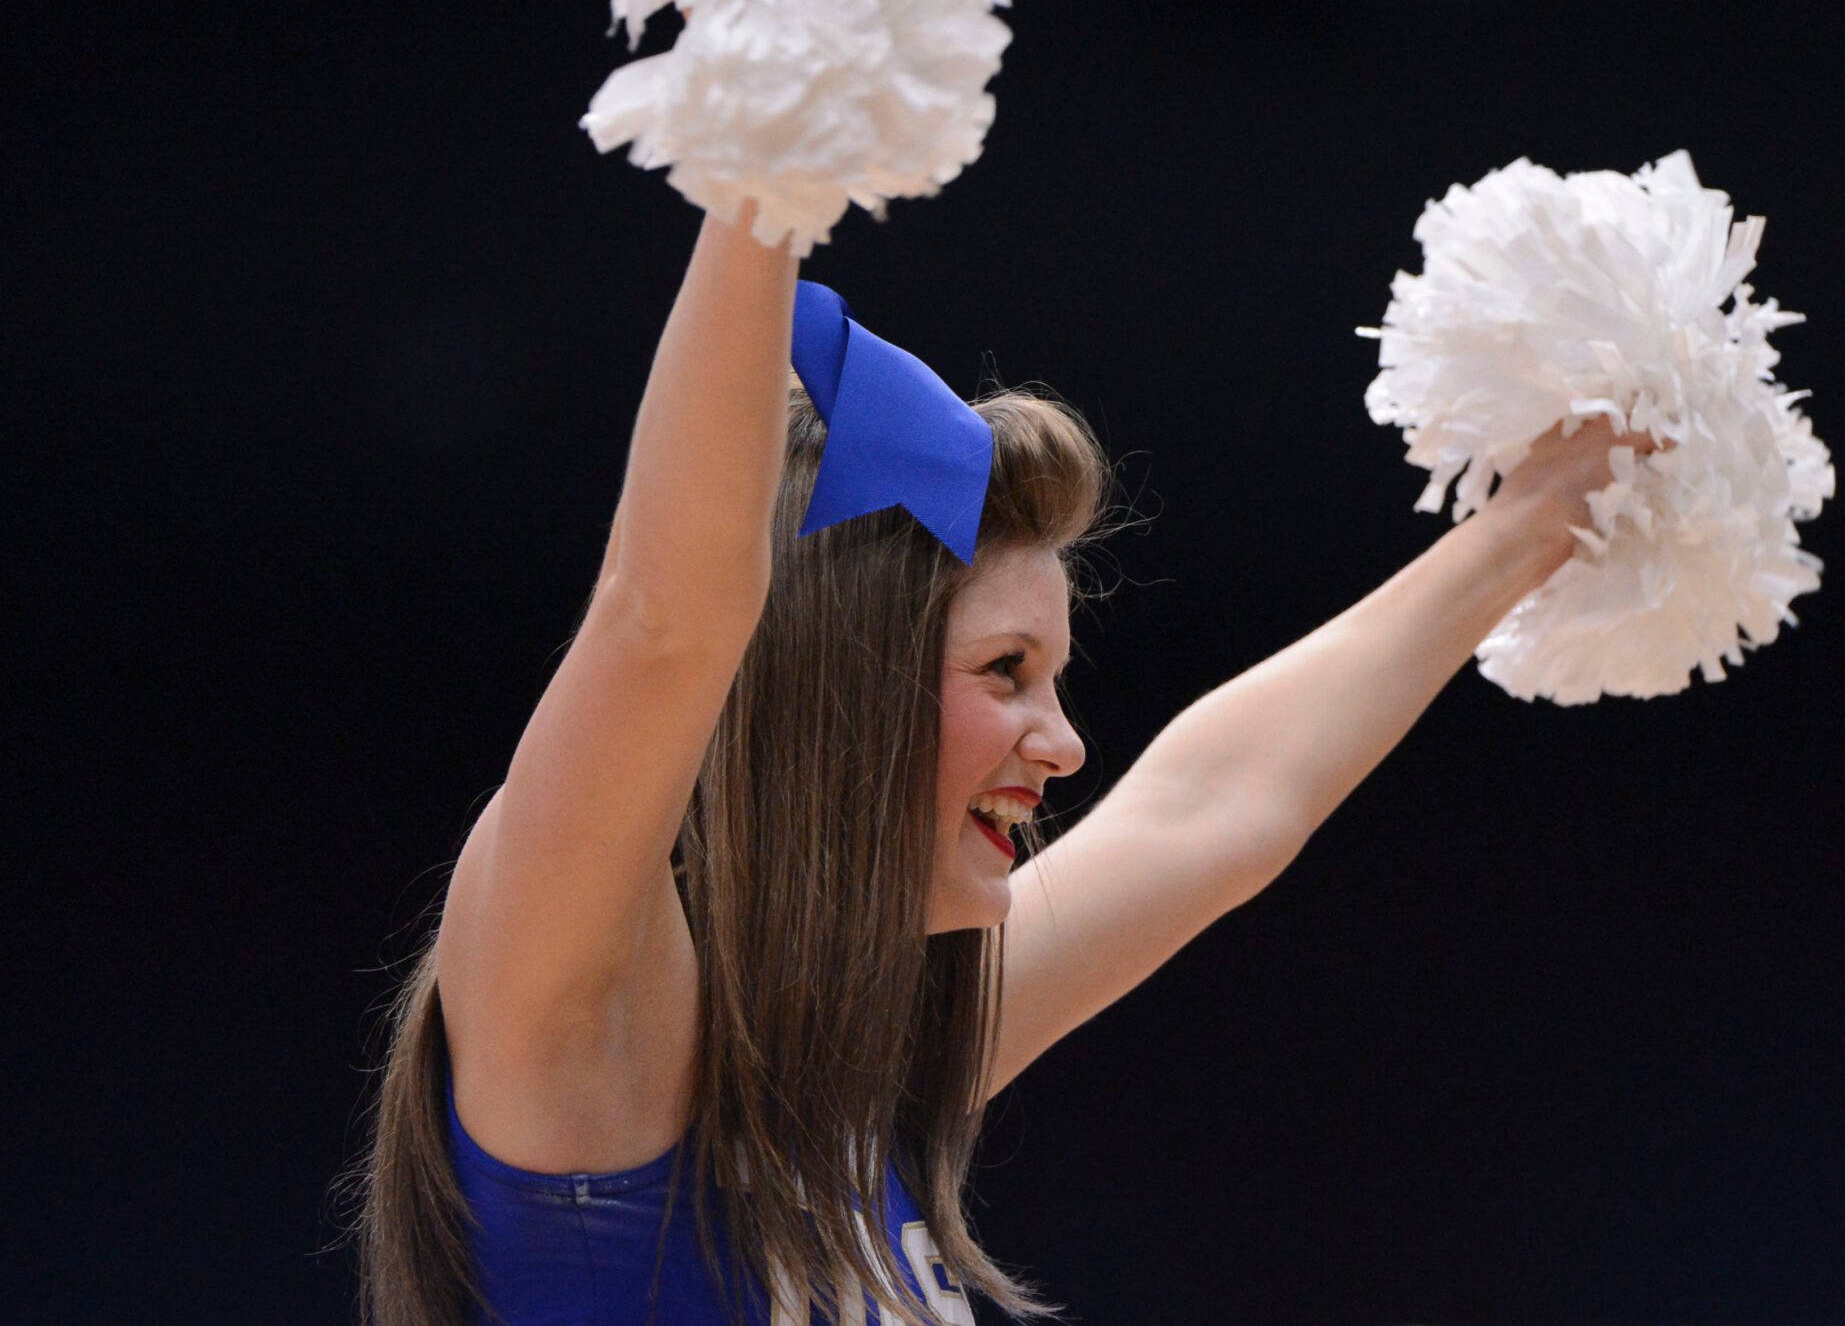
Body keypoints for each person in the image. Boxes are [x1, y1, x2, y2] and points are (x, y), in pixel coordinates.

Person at [346, 184, 1653, 1325]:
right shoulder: (585, 1025)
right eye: (1006, 674)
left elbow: (1218, 809)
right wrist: (763, 154)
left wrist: (1540, 517)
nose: (1067, 743)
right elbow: (664, 623)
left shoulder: (866, 1079)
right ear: (836, 693)